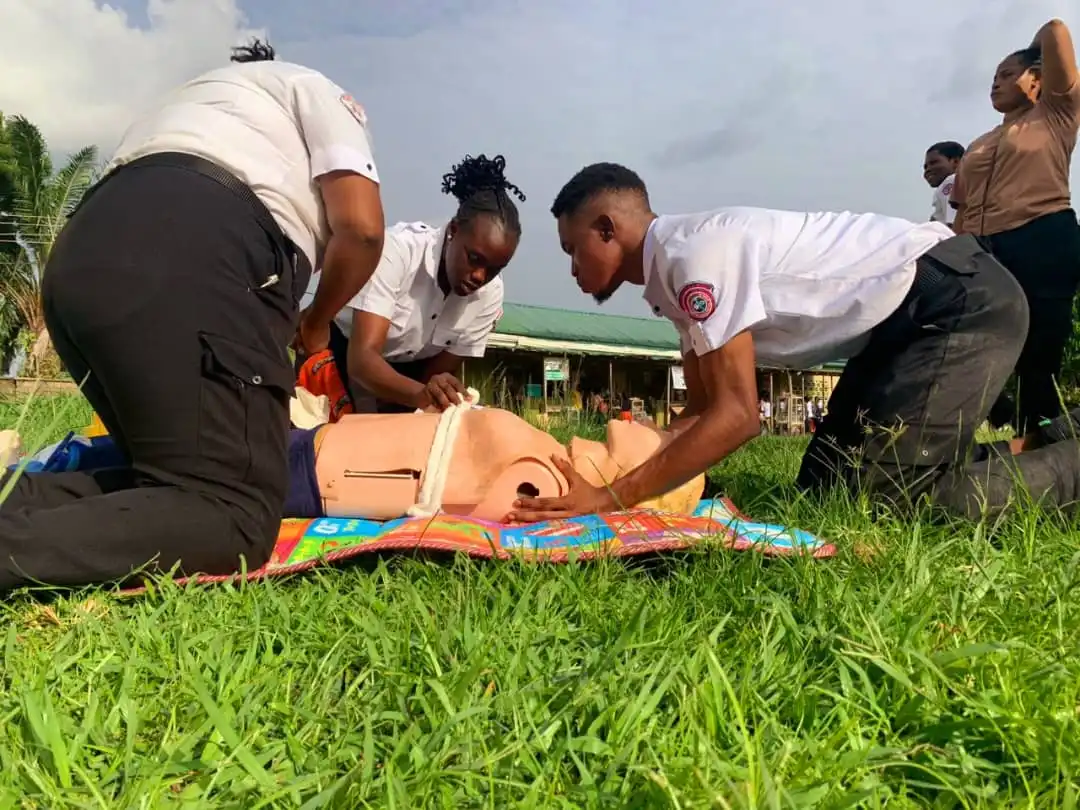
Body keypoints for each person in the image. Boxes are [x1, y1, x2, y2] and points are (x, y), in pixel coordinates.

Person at [0, 48, 386, 592]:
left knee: (171, 481)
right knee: (234, 515)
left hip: (79, 262)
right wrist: (316, 321)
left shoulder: (190, 99)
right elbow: (363, 229)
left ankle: (13, 501)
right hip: (194, 248)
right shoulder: (311, 86)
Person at [506, 162, 1080, 524]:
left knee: (894, 502)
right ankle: (1051, 440)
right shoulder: (671, 282)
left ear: (607, 228)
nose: (573, 269)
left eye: (573, 249)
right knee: (828, 487)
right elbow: (701, 410)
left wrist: (612, 498)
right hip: (896, 328)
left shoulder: (693, 258)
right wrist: (633, 470)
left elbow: (736, 417)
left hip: (956, 300)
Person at [952, 18, 1080, 436]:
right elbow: (962, 208)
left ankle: (1039, 439)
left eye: (1008, 74)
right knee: (963, 333)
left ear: (1036, 80)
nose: (996, 82)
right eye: (994, 76)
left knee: (1038, 351)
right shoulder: (981, 142)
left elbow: (1056, 30)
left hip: (1042, 236)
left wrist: (1032, 55)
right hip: (983, 248)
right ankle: (998, 415)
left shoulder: (1057, 113)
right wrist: (956, 251)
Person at [324, 154, 524, 413]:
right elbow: (362, 361)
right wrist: (420, 395)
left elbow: (434, 377)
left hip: (411, 374)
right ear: (453, 230)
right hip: (345, 355)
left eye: (495, 269)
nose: (480, 277)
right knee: (336, 432)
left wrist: (430, 396)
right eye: (474, 259)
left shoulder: (490, 294)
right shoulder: (397, 252)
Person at [923, 141, 964, 228]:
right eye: (925, 167)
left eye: (934, 163)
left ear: (956, 162)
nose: (928, 169)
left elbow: (953, 224)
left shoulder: (951, 181)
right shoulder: (965, 181)